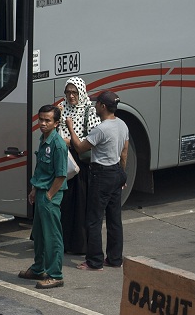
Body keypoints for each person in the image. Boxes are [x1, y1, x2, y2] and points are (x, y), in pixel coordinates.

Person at [67, 90, 129, 271]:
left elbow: (79, 148)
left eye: (96, 103)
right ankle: (115, 259)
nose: (94, 106)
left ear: (103, 106)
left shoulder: (101, 129)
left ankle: (94, 261)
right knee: (114, 219)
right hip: (116, 172)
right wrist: (122, 176)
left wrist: (70, 126)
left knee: (93, 219)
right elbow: (124, 153)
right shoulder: (122, 124)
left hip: (101, 175)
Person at [19, 104, 67, 289]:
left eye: (48, 120)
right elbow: (40, 168)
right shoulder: (43, 139)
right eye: (41, 119)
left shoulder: (58, 144)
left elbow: (61, 175)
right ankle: (39, 268)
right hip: (40, 191)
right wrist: (34, 189)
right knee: (38, 235)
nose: (43, 123)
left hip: (50, 196)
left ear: (56, 123)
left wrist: (48, 195)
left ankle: (55, 274)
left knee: (52, 236)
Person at [58, 77, 100, 255]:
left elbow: (93, 138)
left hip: (80, 163)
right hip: (64, 159)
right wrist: (57, 115)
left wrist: (69, 139)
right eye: (68, 92)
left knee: (80, 204)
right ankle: (63, 243)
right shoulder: (62, 107)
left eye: (74, 92)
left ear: (81, 92)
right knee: (64, 204)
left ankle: (78, 245)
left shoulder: (89, 111)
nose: (71, 95)